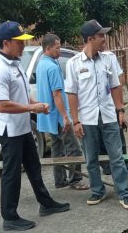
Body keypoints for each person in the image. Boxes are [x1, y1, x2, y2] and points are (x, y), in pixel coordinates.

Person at [0, 21, 70, 231]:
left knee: (34, 166)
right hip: (9, 130)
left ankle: (46, 203)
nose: (23, 46)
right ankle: (10, 217)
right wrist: (30, 108)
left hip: (22, 128)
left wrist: (34, 104)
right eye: (19, 42)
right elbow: (1, 104)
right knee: (12, 173)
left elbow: (23, 95)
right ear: (6, 43)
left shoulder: (14, 63)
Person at [65, 20, 128, 210]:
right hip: (87, 119)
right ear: (90, 39)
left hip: (108, 117)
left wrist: (120, 110)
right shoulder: (74, 64)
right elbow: (71, 94)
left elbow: (115, 86)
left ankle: (124, 193)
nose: (104, 39)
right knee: (91, 160)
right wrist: (76, 121)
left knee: (117, 157)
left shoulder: (109, 59)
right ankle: (97, 190)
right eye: (101, 36)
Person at [36, 34, 89, 191]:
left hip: (48, 116)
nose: (60, 50)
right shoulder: (52, 67)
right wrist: (66, 116)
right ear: (48, 48)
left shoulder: (41, 64)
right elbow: (57, 94)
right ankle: (76, 180)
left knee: (57, 148)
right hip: (59, 116)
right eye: (57, 48)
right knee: (74, 148)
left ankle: (59, 180)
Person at [99, 48, 128, 177]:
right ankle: (106, 166)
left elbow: (119, 84)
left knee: (119, 138)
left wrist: (121, 108)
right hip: (98, 109)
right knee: (100, 140)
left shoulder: (109, 57)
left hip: (112, 105)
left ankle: (126, 165)